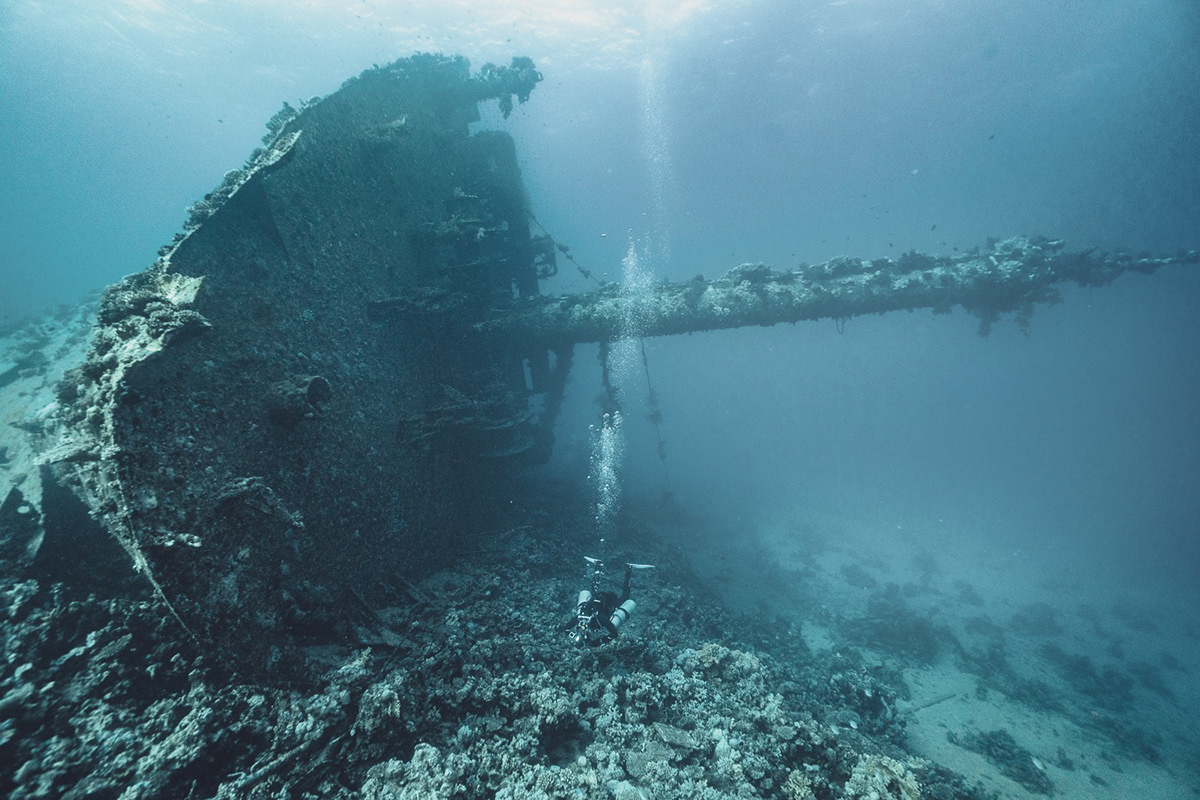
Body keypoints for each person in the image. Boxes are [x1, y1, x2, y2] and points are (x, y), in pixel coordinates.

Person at [569, 557, 654, 647]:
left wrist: (599, 642)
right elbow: (565, 628)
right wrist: (573, 637)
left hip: (610, 601)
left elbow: (614, 633)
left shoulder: (600, 618)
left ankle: (629, 569)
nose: (584, 624)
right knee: (594, 591)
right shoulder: (582, 617)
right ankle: (598, 566)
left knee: (625, 596)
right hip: (598, 598)